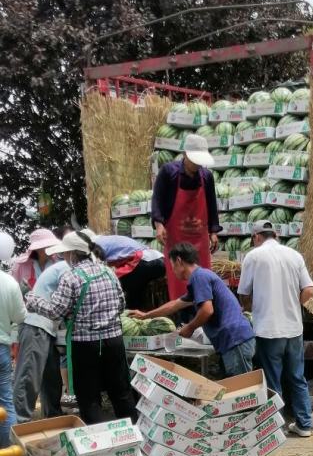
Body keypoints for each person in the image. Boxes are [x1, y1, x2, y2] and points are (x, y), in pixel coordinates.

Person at [26, 229, 137, 425]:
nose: (63, 257)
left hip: (85, 346)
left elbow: (55, 311)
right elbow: (121, 305)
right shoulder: (108, 272)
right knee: (120, 391)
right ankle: (133, 434)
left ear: (73, 253)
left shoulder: (71, 277)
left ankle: (99, 439)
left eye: (64, 253)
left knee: (89, 397)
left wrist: (33, 300)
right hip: (114, 341)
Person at [130, 243, 255, 375]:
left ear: (179, 261)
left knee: (244, 390)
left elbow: (207, 310)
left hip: (235, 340)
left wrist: (190, 327)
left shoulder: (198, 277)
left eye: (172, 266)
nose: (172, 270)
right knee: (234, 389)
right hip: (233, 341)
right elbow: (174, 305)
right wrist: (145, 315)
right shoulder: (201, 277)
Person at [238, 221, 313, 438]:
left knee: (273, 380)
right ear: (276, 236)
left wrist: (250, 308)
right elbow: (309, 290)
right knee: (297, 377)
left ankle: (276, 427)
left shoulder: (253, 256)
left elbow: (244, 294)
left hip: (268, 329)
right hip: (294, 328)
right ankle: (304, 425)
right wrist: (292, 303)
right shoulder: (294, 255)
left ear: (256, 237)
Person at [150, 134, 220, 301]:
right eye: (194, 160)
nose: (197, 164)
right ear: (185, 154)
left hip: (199, 240)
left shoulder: (206, 177)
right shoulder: (169, 172)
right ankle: (182, 321)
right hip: (176, 238)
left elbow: (211, 204)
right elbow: (157, 199)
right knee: (179, 279)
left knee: (202, 280)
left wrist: (213, 231)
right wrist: (159, 225)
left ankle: (203, 318)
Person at [13, 248, 68, 422]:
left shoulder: (60, 266)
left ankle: (53, 414)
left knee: (52, 376)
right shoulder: (68, 269)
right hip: (35, 325)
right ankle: (18, 421)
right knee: (29, 375)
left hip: (48, 326)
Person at [94, 233, 165, 311]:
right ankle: (136, 309)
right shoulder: (106, 239)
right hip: (157, 258)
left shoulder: (96, 246)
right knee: (131, 285)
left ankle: (131, 311)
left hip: (148, 260)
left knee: (122, 283)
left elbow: (98, 269)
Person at [0, 231, 25, 449]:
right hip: (2, 348)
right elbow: (20, 317)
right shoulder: (9, 283)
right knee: (5, 398)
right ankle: (7, 452)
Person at [10, 228, 58, 294]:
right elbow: (11, 290)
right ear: (37, 249)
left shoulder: (57, 263)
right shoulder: (20, 265)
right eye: (48, 247)